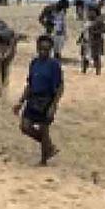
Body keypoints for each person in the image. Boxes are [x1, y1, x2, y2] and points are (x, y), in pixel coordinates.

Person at [13, 35, 63, 166]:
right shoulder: (34, 63)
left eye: (46, 49)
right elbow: (29, 84)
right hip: (33, 98)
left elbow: (60, 87)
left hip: (47, 99)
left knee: (44, 129)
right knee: (25, 127)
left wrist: (53, 105)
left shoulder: (54, 66)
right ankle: (49, 146)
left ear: (50, 50)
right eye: (41, 49)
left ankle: (44, 160)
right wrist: (20, 101)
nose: (43, 52)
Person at [78, 4, 105, 76]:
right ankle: (83, 71)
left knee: (96, 57)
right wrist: (80, 38)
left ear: (95, 12)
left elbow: (102, 30)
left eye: (91, 12)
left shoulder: (99, 21)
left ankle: (98, 72)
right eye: (89, 11)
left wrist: (94, 32)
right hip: (85, 41)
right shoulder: (87, 21)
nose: (89, 13)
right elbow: (83, 31)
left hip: (95, 42)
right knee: (84, 56)